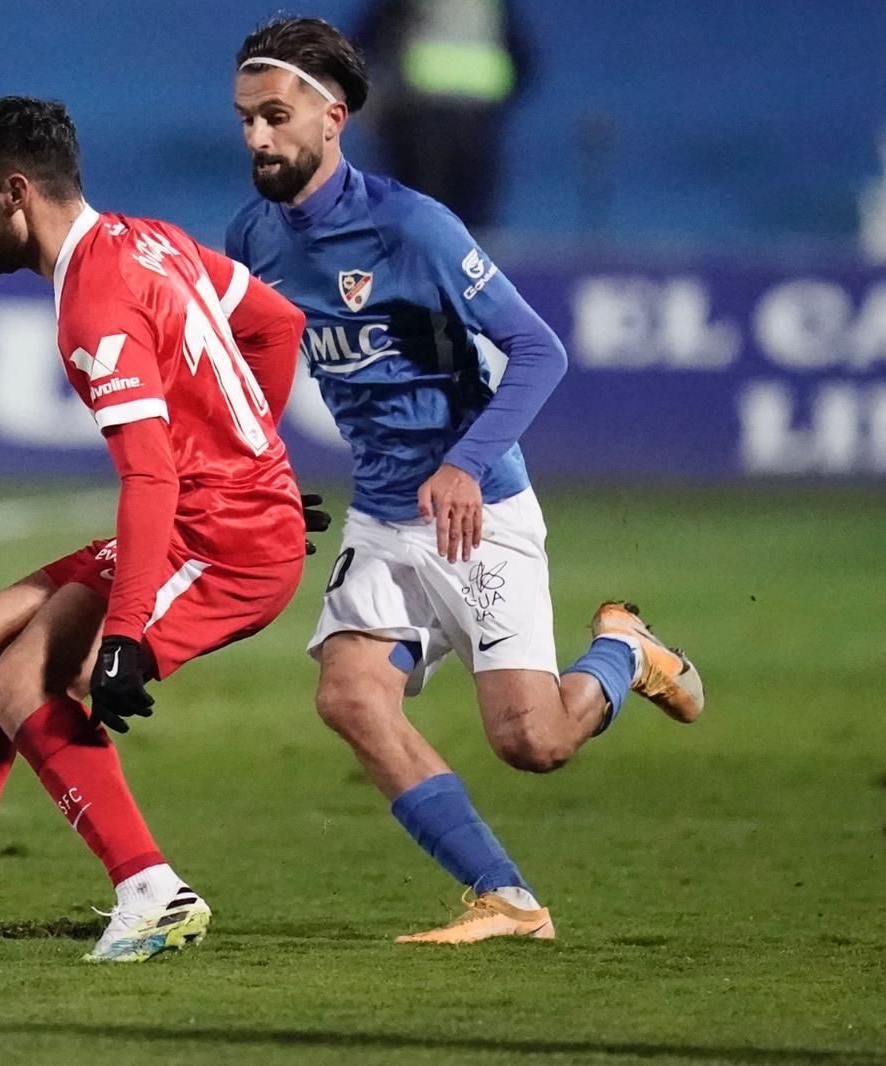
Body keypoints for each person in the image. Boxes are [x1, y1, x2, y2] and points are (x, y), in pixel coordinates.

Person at [227, 17, 705, 944]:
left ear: (333, 118)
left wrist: (462, 465)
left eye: (276, 117)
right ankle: (508, 898)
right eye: (245, 119)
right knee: (348, 695)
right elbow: (251, 359)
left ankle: (625, 651)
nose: (257, 138)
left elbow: (539, 349)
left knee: (533, 743)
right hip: (380, 512)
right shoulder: (254, 235)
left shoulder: (414, 226)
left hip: (473, 509)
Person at [0, 96, 314, 963]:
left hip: (223, 542)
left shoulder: (95, 304)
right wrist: (254, 450)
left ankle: (153, 892)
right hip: (214, 510)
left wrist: (126, 630)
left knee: (27, 685)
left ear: (14, 193)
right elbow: (276, 324)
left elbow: (151, 474)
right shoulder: (148, 237)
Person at [354, 0, 531, 229]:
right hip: (477, 117)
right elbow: (521, 55)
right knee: (472, 218)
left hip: (421, 115)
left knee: (421, 214)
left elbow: (370, 39)